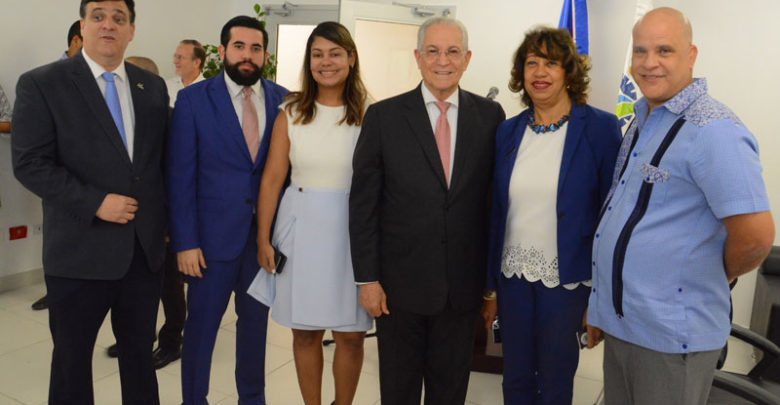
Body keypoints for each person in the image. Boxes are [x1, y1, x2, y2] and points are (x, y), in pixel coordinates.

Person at [586, 7, 775, 405]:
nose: (649, 62)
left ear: (691, 55)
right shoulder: (644, 118)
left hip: (670, 338)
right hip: (624, 325)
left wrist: (710, 274)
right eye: (640, 51)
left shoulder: (714, 130)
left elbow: (756, 238)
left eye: (664, 50)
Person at [11, 0, 169, 403]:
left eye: (119, 18)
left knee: (139, 359)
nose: (108, 25)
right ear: (82, 25)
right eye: (98, 16)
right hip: (78, 252)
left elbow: (158, 165)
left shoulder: (150, 87)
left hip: (141, 255)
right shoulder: (43, 83)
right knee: (72, 363)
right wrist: (95, 202)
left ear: (132, 30)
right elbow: (30, 164)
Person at [349, 16, 505, 405]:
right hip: (397, 290)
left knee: (449, 393)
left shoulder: (490, 117)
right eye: (432, 51)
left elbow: (493, 205)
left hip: (461, 291)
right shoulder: (383, 117)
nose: (443, 61)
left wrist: (490, 287)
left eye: (453, 51)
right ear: (418, 57)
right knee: (398, 391)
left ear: (467, 58)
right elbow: (364, 205)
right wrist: (367, 279)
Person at [479, 27, 621, 404]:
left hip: (568, 281)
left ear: (568, 72)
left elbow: (611, 216)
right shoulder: (507, 132)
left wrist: (599, 299)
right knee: (515, 377)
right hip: (513, 277)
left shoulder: (600, 129)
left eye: (551, 63)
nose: (540, 72)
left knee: (555, 379)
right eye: (532, 63)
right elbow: (497, 212)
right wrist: (490, 287)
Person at [166, 15, 287, 404]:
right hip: (208, 245)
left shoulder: (283, 100)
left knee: (255, 332)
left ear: (265, 54)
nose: (247, 55)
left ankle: (252, 399)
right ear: (222, 51)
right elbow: (180, 177)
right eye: (239, 46)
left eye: (256, 48)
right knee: (201, 331)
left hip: (262, 243)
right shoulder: (193, 100)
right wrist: (185, 243)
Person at [255, 21, 371, 405]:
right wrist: (263, 239)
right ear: (309, 61)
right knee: (304, 332)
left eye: (335, 53)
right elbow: (272, 180)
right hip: (300, 230)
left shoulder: (370, 114)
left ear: (351, 59)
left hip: (352, 234)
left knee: (350, 334)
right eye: (317, 54)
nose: (326, 62)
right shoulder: (290, 112)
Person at [31, 19, 86, 313]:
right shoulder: (47, 80)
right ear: (76, 40)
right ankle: (55, 290)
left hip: (95, 175)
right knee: (58, 235)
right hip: (59, 175)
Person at [166, 39, 206, 107]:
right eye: (175, 56)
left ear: (196, 63)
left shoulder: (209, 91)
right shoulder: (166, 86)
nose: (175, 61)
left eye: (180, 57)